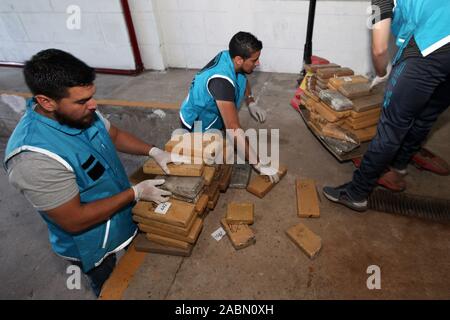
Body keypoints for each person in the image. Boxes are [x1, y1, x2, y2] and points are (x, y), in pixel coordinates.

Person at [4, 49, 183, 296]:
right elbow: (74, 219)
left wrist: (153, 151)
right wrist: (135, 193)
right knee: (112, 286)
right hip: (93, 243)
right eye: (82, 101)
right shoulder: (33, 159)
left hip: (122, 216)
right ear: (47, 102)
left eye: (91, 96)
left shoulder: (80, 113)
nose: (93, 105)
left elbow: (115, 136)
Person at [323, 0, 450, 212]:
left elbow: (379, 48)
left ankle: (357, 193)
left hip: (433, 44)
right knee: (427, 113)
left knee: (391, 128)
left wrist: (382, 74)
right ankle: (399, 167)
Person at [179, 31, 279, 182]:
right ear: (239, 59)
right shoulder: (222, 82)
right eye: (254, 60)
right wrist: (258, 164)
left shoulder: (231, 57)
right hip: (197, 122)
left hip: (213, 110)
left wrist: (251, 101)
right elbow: (233, 128)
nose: (258, 63)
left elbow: (242, 78)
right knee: (205, 171)